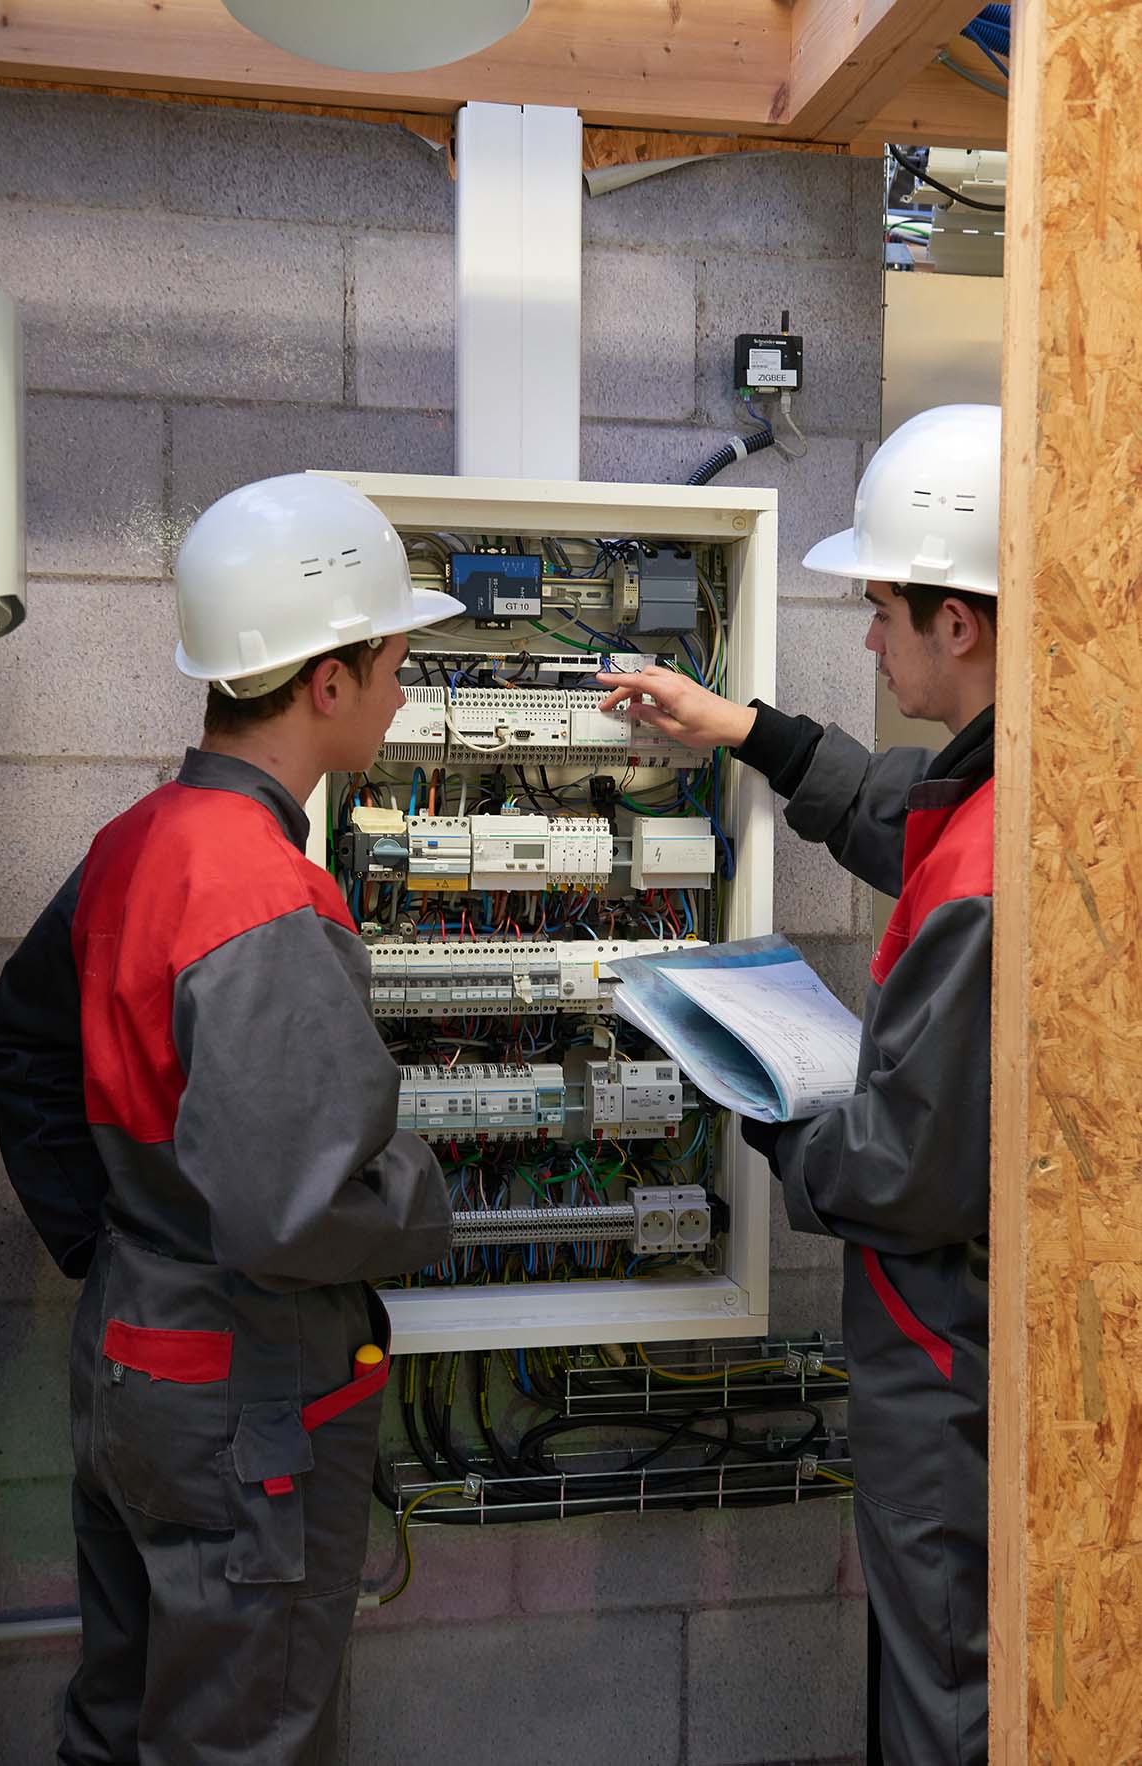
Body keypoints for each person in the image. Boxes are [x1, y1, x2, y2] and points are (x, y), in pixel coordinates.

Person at [0, 473, 466, 1765]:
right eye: (394, 663)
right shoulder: (269, 896)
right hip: (242, 1403)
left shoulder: (138, 840)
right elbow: (300, 1207)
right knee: (245, 1736)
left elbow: (13, 1033)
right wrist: (427, 1191)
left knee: (124, 1713)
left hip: (131, 1364)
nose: (404, 693)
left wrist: (106, 1232)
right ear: (325, 682)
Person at [599, 404, 999, 1766]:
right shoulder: (1041, 780)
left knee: (957, 1689)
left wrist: (760, 1099)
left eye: (885, 607)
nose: (871, 638)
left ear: (965, 622)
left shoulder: (999, 870)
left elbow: (898, 1169)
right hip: (951, 1348)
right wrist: (743, 728)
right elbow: (900, 809)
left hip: (958, 1368)